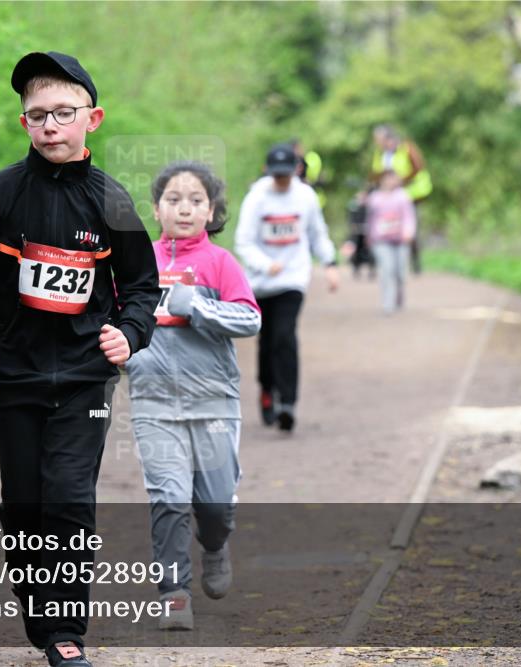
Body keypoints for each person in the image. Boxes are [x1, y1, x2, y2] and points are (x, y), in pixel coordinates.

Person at [0, 51, 159, 667]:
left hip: (86, 376)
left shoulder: (112, 201)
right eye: (36, 116)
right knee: (24, 502)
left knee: (67, 497)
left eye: (63, 113)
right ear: (23, 125)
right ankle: (39, 610)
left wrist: (130, 333)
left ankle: (66, 630)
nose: (50, 126)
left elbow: (142, 287)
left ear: (92, 118)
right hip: (14, 376)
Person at [125, 161, 261, 630]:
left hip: (213, 403)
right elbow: (112, 318)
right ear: (156, 208)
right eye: (174, 199)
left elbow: (250, 319)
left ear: (211, 211)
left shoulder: (220, 263)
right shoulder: (138, 260)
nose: (184, 208)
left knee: (215, 505)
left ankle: (216, 544)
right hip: (154, 402)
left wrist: (198, 306)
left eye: (196, 200)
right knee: (169, 498)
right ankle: (174, 593)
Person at [235, 144, 338, 433]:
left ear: (296, 170)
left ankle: (288, 402)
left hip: (292, 279)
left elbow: (317, 234)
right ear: (268, 171)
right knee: (267, 341)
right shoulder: (257, 196)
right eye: (276, 175)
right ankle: (267, 390)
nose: (281, 181)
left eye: (287, 175)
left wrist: (330, 263)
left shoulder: (305, 196)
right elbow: (244, 241)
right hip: (260, 282)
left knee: (285, 335)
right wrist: (266, 264)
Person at [369, 125, 431, 273]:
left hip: (410, 194)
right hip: (389, 196)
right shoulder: (381, 154)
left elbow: (418, 168)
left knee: (410, 227)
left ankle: (415, 262)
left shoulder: (407, 149)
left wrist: (401, 181)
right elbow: (377, 173)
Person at [365, 169, 416, 314]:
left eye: (392, 178)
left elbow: (409, 217)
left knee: (399, 272)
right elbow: (370, 219)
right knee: (386, 270)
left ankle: (399, 298)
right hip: (381, 240)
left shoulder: (403, 196)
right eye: (387, 178)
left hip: (400, 240)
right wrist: (369, 236)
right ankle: (387, 303)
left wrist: (408, 232)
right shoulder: (374, 198)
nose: (390, 181)